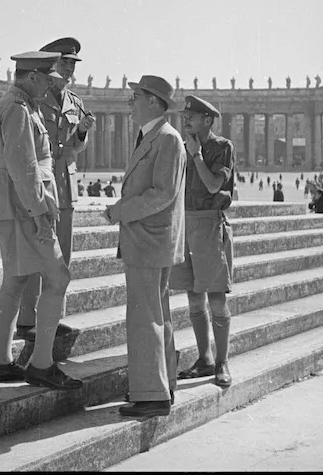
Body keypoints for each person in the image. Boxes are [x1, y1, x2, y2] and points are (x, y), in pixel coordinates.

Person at [0, 50, 82, 390]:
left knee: (15, 281)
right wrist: (40, 214)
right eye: (47, 76)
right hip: (24, 209)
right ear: (33, 77)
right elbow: (24, 169)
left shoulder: (13, 106)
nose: (52, 82)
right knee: (58, 277)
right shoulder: (19, 111)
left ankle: (0, 361)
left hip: (11, 206)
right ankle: (41, 364)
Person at [103, 75, 186, 418]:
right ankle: (163, 382)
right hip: (150, 239)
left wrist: (119, 211)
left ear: (153, 102)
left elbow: (162, 193)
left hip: (149, 239)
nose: (130, 102)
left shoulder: (166, 139)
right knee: (156, 313)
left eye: (135, 96)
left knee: (144, 316)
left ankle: (152, 395)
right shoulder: (154, 136)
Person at [16, 37, 96, 340]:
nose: (68, 69)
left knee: (63, 256)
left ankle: (53, 316)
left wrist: (83, 133)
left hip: (66, 186)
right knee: (38, 254)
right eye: (64, 62)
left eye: (72, 64)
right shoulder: (37, 97)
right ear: (51, 64)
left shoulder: (75, 102)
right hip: (43, 185)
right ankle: (28, 318)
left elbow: (74, 147)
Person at [169, 95, 235, 390]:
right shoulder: (181, 149)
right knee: (194, 297)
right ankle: (204, 358)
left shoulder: (222, 148)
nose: (185, 121)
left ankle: (222, 362)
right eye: (184, 117)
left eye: (191, 117)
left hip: (210, 225)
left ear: (207, 120)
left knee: (216, 298)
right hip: (186, 225)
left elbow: (213, 185)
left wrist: (196, 155)